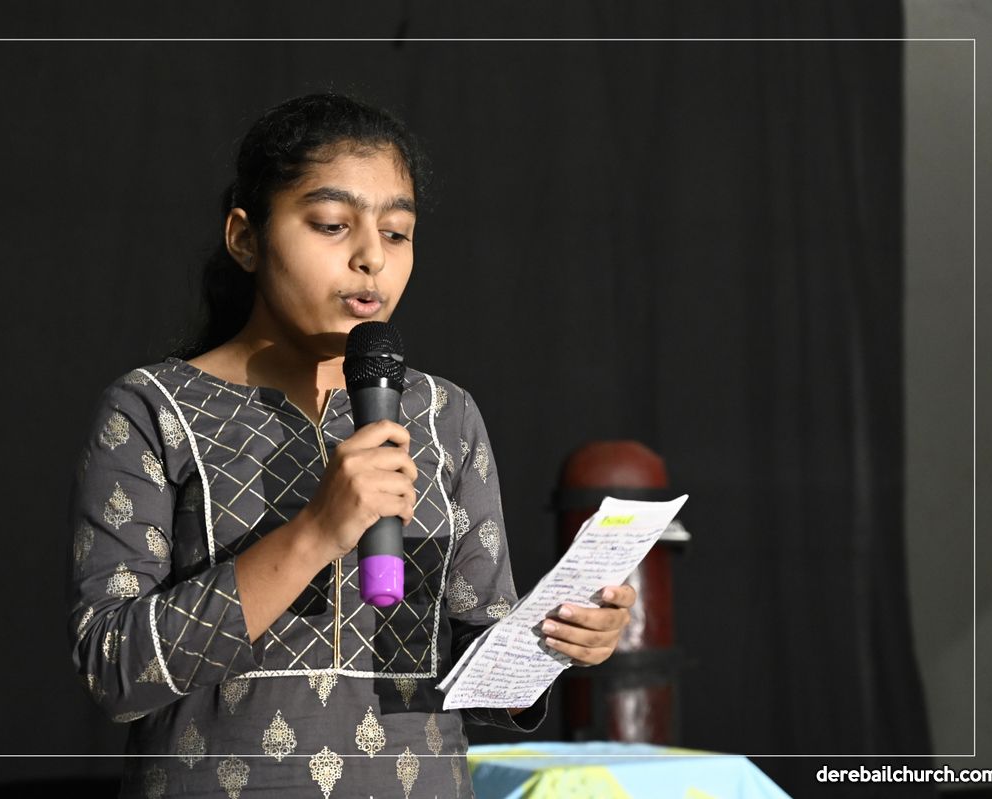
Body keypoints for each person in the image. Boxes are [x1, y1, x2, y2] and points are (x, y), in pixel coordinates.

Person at [67, 92, 637, 798]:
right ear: (245, 238)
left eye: (396, 233)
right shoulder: (154, 408)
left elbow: (475, 664)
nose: (371, 257)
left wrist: (559, 641)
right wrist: (316, 531)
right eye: (333, 225)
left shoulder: (444, 415)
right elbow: (114, 668)